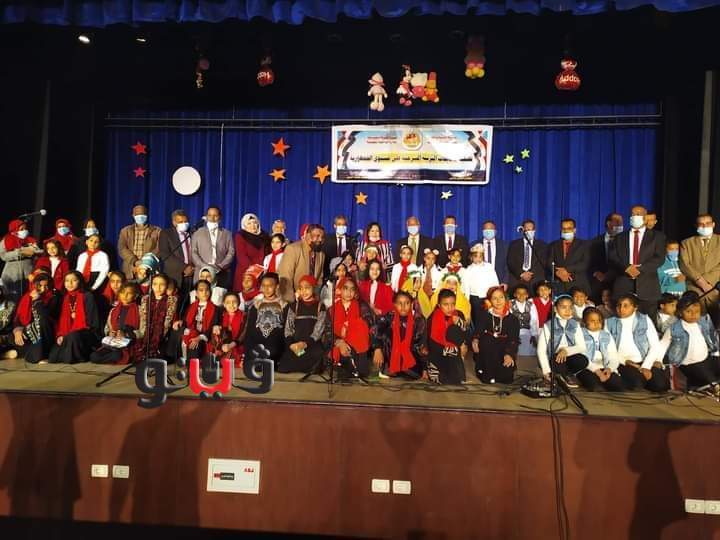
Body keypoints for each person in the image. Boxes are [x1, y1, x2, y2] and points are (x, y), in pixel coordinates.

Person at [606, 293, 669, 392]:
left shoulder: (644, 319)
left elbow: (655, 345)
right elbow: (608, 349)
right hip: (625, 362)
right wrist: (624, 361)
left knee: (661, 385)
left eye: (626, 306)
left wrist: (646, 366)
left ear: (635, 308)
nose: (621, 309)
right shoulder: (609, 323)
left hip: (645, 361)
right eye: (619, 305)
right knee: (637, 384)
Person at [608, 205, 665, 315]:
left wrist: (639, 269)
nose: (635, 216)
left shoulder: (657, 237)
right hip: (623, 285)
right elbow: (613, 257)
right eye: (633, 214)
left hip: (647, 287)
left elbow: (659, 258)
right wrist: (626, 268)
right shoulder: (619, 237)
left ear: (645, 217)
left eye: (638, 214)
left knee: (648, 322)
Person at [658, 291, 720, 389]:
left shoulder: (703, 323)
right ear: (680, 312)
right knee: (709, 379)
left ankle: (703, 384)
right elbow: (663, 345)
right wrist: (657, 360)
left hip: (705, 359)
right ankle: (711, 386)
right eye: (688, 311)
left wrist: (716, 354)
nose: (693, 314)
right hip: (688, 364)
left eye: (697, 312)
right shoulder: (674, 328)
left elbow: (713, 338)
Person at [278, 275, 331, 374]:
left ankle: (306, 365)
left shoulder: (320, 307)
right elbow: (288, 328)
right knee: (283, 366)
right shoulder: (294, 306)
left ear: (314, 288)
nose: (304, 291)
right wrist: (291, 344)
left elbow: (318, 331)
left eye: (307, 288)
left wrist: (305, 344)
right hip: (296, 344)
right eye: (301, 288)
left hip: (311, 344)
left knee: (317, 357)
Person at [240, 272, 288, 376]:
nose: (266, 289)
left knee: (269, 356)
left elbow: (285, 330)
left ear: (277, 286)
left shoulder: (284, 305)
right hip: (257, 343)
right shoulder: (256, 305)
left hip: (274, 344)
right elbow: (249, 330)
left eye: (270, 285)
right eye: (264, 285)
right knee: (252, 362)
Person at [171, 280, 222, 378]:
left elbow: (212, 326)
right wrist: (180, 322)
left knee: (194, 343)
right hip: (191, 332)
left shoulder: (215, 309)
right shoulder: (191, 306)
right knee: (177, 330)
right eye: (201, 290)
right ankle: (174, 359)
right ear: (197, 293)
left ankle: (190, 368)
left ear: (210, 292)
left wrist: (199, 337)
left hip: (204, 336)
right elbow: (186, 321)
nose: (204, 292)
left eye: (207, 290)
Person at [48, 271, 101, 363]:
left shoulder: (87, 296)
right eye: (67, 281)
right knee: (53, 357)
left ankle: (80, 355)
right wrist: (61, 335)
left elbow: (92, 322)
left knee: (73, 337)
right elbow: (61, 321)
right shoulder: (64, 298)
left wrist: (76, 323)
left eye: (74, 280)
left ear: (80, 281)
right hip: (69, 333)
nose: (70, 283)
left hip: (86, 332)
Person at [373, 290, 427, 379]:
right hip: (391, 358)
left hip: (412, 360)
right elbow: (377, 330)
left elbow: (423, 344)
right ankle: (390, 368)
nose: (403, 307)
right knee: (386, 333)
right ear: (394, 304)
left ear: (411, 304)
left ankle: (407, 370)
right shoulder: (390, 316)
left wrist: (425, 369)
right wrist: (377, 349)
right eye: (399, 303)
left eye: (407, 303)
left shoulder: (419, 320)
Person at [536, 295, 587, 387]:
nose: (567, 311)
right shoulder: (549, 325)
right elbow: (541, 350)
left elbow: (582, 346)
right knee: (557, 361)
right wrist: (546, 371)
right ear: (555, 309)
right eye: (563, 307)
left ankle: (566, 374)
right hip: (553, 358)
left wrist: (566, 350)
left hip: (568, 356)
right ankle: (556, 375)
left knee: (582, 360)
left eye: (570, 307)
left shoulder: (575, 324)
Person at [330, 277, 376, 379]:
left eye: (352, 289)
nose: (349, 292)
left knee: (362, 372)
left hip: (358, 345)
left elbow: (368, 322)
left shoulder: (361, 305)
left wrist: (348, 324)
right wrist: (339, 342)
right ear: (340, 290)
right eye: (346, 288)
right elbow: (328, 332)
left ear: (355, 292)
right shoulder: (332, 309)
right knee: (343, 369)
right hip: (339, 344)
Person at [679, 214, 720, 323]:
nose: (705, 226)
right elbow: (685, 264)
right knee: (695, 323)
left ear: (713, 224)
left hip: (715, 288)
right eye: (701, 224)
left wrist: (707, 282)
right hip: (694, 289)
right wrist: (700, 281)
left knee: (716, 324)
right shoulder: (686, 243)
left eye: (708, 223)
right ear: (696, 226)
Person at [128, 273, 178, 363]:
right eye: (155, 284)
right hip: (146, 333)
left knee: (160, 355)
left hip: (163, 336)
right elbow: (143, 320)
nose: (158, 288)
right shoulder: (145, 299)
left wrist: (158, 337)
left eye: (162, 284)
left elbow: (167, 323)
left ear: (167, 286)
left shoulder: (171, 300)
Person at [576, 307, 626, 391]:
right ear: (584, 322)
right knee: (595, 386)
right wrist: (597, 372)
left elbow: (613, 356)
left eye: (599, 320)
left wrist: (609, 369)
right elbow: (582, 357)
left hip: (604, 367)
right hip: (588, 368)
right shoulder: (580, 334)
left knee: (618, 386)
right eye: (592, 321)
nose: (596, 323)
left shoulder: (606, 335)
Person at [90, 283, 141, 365]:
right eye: (123, 292)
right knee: (94, 356)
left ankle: (117, 357)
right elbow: (107, 328)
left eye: (129, 293)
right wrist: (110, 332)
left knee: (117, 355)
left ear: (135, 296)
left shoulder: (139, 310)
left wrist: (127, 334)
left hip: (128, 343)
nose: (125, 295)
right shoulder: (113, 310)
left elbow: (143, 331)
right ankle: (111, 357)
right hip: (113, 342)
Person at [12, 272, 58, 363]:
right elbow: (17, 318)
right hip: (29, 329)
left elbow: (45, 316)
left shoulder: (54, 297)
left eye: (46, 286)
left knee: (42, 323)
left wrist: (37, 300)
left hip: (47, 330)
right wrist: (17, 330)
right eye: (40, 286)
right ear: (34, 285)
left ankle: (39, 356)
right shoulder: (26, 297)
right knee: (15, 338)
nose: (43, 289)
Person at [426, 289, 468, 385]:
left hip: (454, 355)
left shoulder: (458, 315)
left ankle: (455, 368)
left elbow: (466, 335)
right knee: (448, 380)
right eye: (446, 304)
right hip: (438, 354)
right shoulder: (432, 318)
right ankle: (435, 370)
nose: (450, 308)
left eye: (453, 304)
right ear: (439, 305)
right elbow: (431, 344)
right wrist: (455, 351)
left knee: (453, 330)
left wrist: (460, 323)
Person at [278, 224, 325, 303]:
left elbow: (319, 279)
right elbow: (285, 278)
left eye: (322, 237)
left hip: (311, 301)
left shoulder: (321, 254)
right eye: (317, 236)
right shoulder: (293, 249)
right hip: (293, 299)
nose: (320, 239)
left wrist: (316, 298)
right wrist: (290, 301)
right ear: (307, 235)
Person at [192, 206, 235, 289]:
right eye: (210, 215)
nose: (212, 218)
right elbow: (194, 252)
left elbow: (231, 252)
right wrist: (204, 266)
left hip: (221, 274)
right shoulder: (197, 233)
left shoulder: (227, 234)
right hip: (201, 273)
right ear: (206, 217)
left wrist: (220, 266)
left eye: (215, 215)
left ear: (220, 217)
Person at [0, 219, 42, 300]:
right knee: (11, 298)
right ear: (14, 230)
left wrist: (34, 252)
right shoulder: (6, 240)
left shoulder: (31, 240)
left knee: (27, 297)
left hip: (28, 273)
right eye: (21, 229)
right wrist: (19, 253)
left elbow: (38, 252)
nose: (24, 231)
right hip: (12, 274)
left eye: (25, 228)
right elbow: (3, 255)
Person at [549, 218, 591, 296]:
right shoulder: (554, 245)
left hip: (578, 285)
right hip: (559, 285)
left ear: (574, 230)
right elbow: (549, 263)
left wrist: (566, 270)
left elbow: (585, 263)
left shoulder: (584, 244)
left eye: (569, 228)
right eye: (563, 228)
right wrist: (557, 273)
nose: (566, 231)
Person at [117, 205, 161, 280]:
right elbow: (122, 248)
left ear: (147, 215)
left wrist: (145, 263)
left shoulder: (157, 231)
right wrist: (134, 261)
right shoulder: (125, 231)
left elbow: (159, 249)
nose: (140, 217)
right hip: (130, 269)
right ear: (133, 215)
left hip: (149, 269)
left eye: (143, 214)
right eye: (137, 214)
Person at [158, 209, 194, 300]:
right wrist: (184, 267)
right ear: (174, 223)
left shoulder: (193, 233)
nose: (184, 224)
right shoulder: (166, 234)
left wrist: (193, 267)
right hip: (175, 276)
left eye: (185, 221)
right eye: (180, 222)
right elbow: (165, 254)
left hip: (193, 274)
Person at [588, 213, 623, 304]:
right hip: (600, 279)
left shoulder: (626, 240)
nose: (620, 224)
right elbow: (589, 261)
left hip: (619, 277)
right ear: (608, 223)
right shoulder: (594, 242)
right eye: (617, 222)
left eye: (621, 222)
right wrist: (596, 272)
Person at [464, 243, 500, 330]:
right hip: (475, 298)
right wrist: (467, 301)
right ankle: (477, 335)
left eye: (480, 256)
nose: (478, 259)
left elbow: (495, 282)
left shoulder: (489, 267)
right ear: (471, 257)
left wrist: (494, 296)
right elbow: (466, 286)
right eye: (475, 256)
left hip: (488, 297)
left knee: (489, 318)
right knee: (477, 320)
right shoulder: (468, 269)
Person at [507, 219, 548, 291]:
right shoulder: (514, 245)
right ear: (523, 231)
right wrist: (521, 273)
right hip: (518, 278)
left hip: (535, 279)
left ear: (534, 230)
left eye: (531, 229)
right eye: (527, 229)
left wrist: (530, 274)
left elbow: (543, 262)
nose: (529, 231)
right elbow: (510, 262)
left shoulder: (542, 245)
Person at [232, 212, 269, 291]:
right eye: (249, 223)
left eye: (255, 223)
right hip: (246, 271)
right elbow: (241, 256)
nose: (253, 225)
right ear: (244, 225)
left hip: (262, 272)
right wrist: (254, 270)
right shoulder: (240, 236)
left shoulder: (265, 236)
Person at [208, 291, 245, 368]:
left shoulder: (244, 316)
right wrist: (216, 328)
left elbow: (243, 335)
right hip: (222, 344)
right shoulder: (220, 315)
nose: (231, 305)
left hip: (236, 344)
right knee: (215, 331)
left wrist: (231, 345)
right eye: (228, 302)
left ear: (239, 303)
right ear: (224, 304)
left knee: (232, 356)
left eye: (234, 302)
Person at [470, 221, 509, 287]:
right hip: (478, 282)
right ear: (482, 231)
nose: (488, 232)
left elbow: (507, 265)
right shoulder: (473, 245)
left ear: (495, 232)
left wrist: (505, 282)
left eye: (490, 230)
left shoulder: (504, 245)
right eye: (486, 230)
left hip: (499, 282)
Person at [510, 284, 539, 356]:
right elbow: (508, 321)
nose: (521, 295)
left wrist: (534, 335)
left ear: (527, 295)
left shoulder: (531, 305)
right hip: (513, 332)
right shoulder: (510, 304)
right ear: (514, 294)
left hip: (527, 331)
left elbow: (534, 321)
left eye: (524, 293)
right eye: (518, 293)